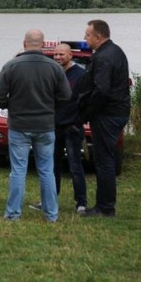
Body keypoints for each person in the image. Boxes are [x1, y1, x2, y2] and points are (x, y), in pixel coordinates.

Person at [0, 29, 71, 222]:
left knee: (18, 169)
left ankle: (13, 213)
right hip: (45, 126)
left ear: (24, 44)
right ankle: (51, 214)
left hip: (19, 124)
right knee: (47, 170)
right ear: (43, 45)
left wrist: (9, 105)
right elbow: (66, 97)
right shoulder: (55, 68)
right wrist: (51, 108)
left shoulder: (11, 66)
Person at [78, 19, 130, 218]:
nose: (85, 38)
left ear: (97, 36)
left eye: (87, 35)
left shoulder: (103, 57)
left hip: (108, 114)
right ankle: (103, 205)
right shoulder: (115, 51)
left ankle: (105, 208)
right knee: (104, 159)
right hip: (117, 112)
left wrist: (87, 113)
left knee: (104, 161)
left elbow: (101, 90)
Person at [29, 43, 87, 214]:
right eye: (55, 55)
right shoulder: (52, 72)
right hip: (53, 126)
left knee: (75, 165)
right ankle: (49, 201)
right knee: (51, 166)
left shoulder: (80, 75)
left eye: (61, 54)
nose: (58, 57)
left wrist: (78, 122)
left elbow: (84, 102)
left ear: (70, 55)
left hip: (72, 128)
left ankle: (81, 203)